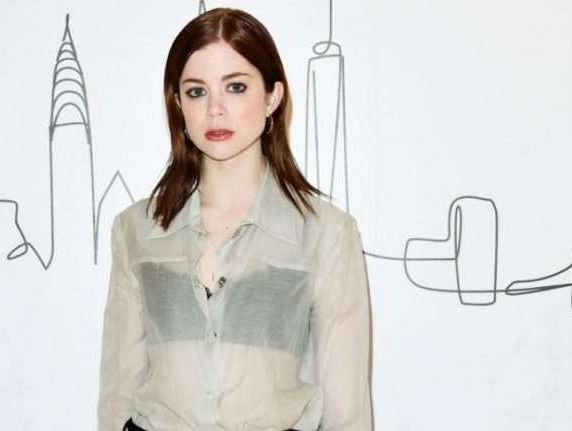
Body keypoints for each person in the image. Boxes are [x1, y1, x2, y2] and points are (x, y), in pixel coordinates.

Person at [98, 7, 373, 431]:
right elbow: (119, 391)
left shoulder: (326, 234)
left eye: (236, 87)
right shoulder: (136, 230)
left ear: (272, 97)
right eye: (196, 92)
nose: (215, 109)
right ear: (178, 104)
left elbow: (346, 411)